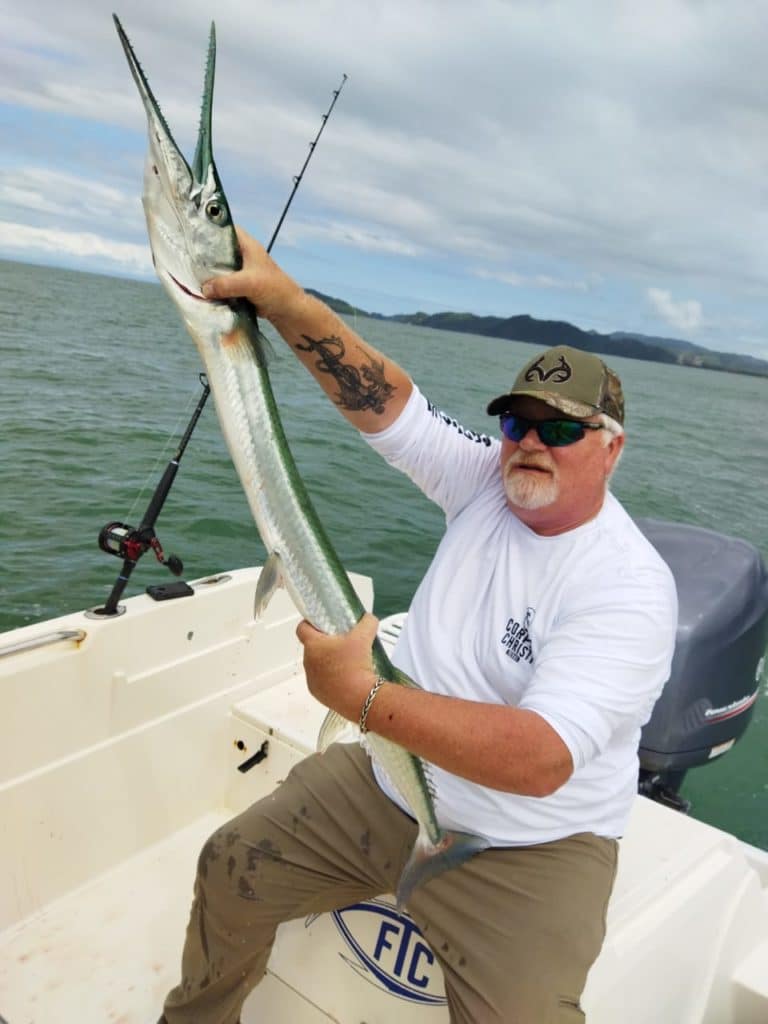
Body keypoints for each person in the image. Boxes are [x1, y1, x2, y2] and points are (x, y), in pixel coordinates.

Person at [160, 228, 678, 1024]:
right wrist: (283, 300)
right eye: (518, 423)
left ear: (611, 450)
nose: (531, 443)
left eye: (562, 429)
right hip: (386, 784)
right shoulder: (483, 481)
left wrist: (362, 695)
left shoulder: (628, 587)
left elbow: (540, 760)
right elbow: (386, 402)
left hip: (532, 841)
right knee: (230, 866)